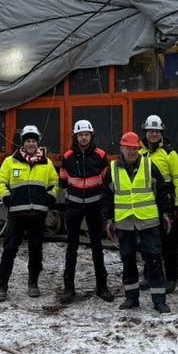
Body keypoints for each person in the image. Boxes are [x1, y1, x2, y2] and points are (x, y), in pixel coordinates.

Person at [102, 131, 175, 314]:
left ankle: (159, 300)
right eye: (128, 148)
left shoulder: (149, 166)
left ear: (138, 148)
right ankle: (131, 298)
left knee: (154, 259)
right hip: (125, 222)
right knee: (127, 260)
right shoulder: (112, 169)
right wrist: (108, 219)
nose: (132, 151)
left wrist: (166, 213)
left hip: (148, 221)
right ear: (121, 148)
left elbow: (163, 192)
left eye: (134, 148)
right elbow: (106, 198)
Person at [0, 124, 60, 302]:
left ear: (38, 143)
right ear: (23, 143)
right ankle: (2, 285)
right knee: (9, 250)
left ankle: (33, 283)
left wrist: (50, 198)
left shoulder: (47, 163)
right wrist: (7, 198)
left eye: (33, 141)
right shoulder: (10, 161)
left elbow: (54, 183)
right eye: (28, 141)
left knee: (36, 250)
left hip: (38, 216)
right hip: (16, 215)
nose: (31, 144)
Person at [58, 119, 114, 303]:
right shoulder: (68, 156)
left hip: (94, 207)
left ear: (91, 136)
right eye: (81, 135)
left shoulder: (100, 155)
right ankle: (69, 289)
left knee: (97, 246)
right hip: (74, 207)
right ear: (76, 136)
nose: (84, 138)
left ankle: (102, 287)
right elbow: (63, 179)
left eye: (86, 135)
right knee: (71, 247)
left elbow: (106, 181)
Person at [140, 114, 178, 292]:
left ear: (161, 133)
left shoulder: (169, 152)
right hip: (146, 203)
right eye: (151, 131)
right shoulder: (140, 152)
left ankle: (171, 277)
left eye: (157, 131)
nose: (154, 134)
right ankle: (150, 275)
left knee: (167, 242)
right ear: (146, 131)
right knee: (148, 242)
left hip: (165, 203)